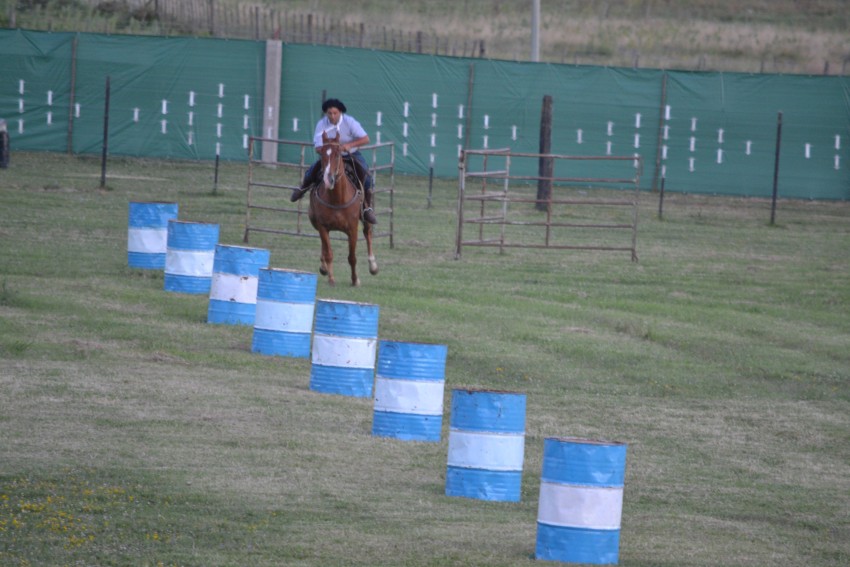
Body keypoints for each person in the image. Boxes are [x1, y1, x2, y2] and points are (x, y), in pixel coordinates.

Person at [290, 98, 377, 225]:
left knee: (366, 176)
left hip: (350, 154)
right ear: (326, 113)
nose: (332, 116)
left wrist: (350, 145)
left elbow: (365, 139)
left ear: (340, 112)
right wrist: (329, 149)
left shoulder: (349, 122)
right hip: (330, 156)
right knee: (312, 170)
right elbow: (318, 146)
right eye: (329, 113)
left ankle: (367, 208)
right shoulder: (322, 124)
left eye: (335, 113)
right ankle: (303, 188)